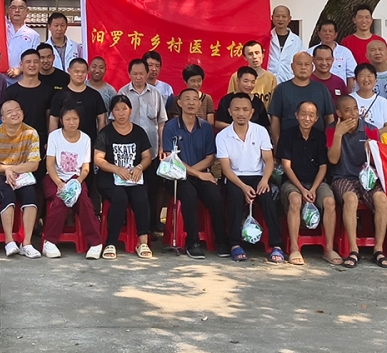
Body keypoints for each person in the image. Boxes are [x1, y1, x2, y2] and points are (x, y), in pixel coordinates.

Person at [161, 88, 229, 259]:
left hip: (199, 173)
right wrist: (198, 174)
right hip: (176, 176)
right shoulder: (170, 127)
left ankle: (222, 241)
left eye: (195, 99)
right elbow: (171, 158)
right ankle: (193, 242)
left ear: (200, 104)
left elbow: (210, 157)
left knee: (215, 195)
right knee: (189, 195)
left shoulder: (205, 127)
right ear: (179, 103)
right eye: (187, 99)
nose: (191, 103)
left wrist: (195, 173)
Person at [217, 92, 285, 263]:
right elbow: (226, 169)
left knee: (268, 197)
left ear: (252, 112)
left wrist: (264, 180)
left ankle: (276, 245)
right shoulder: (222, 136)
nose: (241, 113)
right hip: (235, 177)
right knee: (235, 196)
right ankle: (235, 244)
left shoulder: (260, 131)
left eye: (245, 109)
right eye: (236, 109)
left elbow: (268, 160)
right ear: (229, 112)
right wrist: (243, 186)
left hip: (258, 176)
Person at [327, 96, 387, 268]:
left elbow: (378, 163)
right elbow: (332, 160)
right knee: (351, 199)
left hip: (367, 178)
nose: (353, 113)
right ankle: (353, 250)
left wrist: (372, 151)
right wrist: (338, 134)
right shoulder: (332, 129)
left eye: (355, 109)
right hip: (342, 177)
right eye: (347, 110)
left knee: (381, 199)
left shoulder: (370, 129)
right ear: (339, 113)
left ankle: (378, 249)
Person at [277, 100, 340, 266]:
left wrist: (313, 188)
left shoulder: (320, 136)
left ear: (316, 118)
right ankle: (294, 248)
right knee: (295, 199)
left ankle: (329, 249)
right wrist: (302, 189)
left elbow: (323, 166)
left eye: (311, 115)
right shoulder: (287, 135)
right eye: (303, 114)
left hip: (315, 182)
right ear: (296, 115)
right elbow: (286, 166)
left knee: (329, 202)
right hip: (293, 181)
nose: (307, 118)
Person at [94, 95, 154, 259]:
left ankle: (142, 242)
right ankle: (111, 243)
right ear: (112, 113)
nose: (121, 113)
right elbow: (98, 159)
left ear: (130, 111)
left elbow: (147, 157)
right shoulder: (105, 133)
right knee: (119, 198)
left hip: (133, 177)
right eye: (117, 109)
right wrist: (116, 169)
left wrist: (139, 167)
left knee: (141, 197)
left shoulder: (139, 132)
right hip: (110, 177)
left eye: (124, 109)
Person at [0, 99, 42, 258]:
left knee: (30, 195)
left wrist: (12, 169)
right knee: (7, 194)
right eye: (9, 112)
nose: (15, 113)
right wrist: (5, 170)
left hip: (21, 174)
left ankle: (26, 243)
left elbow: (34, 164)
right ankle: (9, 241)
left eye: (17, 109)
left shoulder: (31, 133)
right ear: (2, 118)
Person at [42, 105, 103, 260]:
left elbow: (85, 167)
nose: (72, 122)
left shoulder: (85, 139)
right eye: (68, 119)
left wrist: (77, 182)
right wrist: (59, 183)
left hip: (76, 179)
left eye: (75, 119)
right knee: (61, 198)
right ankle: (49, 242)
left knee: (84, 201)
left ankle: (95, 243)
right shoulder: (54, 136)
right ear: (61, 121)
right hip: (54, 178)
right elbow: (49, 164)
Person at [118, 58, 167, 232]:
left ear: (147, 74)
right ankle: (128, 224)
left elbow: (161, 123)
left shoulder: (155, 94)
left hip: (151, 151)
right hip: (128, 152)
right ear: (129, 74)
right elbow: (116, 122)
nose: (138, 77)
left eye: (141, 74)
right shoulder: (122, 93)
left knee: (151, 189)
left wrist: (162, 147)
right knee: (129, 189)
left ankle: (151, 225)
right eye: (135, 74)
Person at [268, 53, 334, 146]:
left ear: (312, 67)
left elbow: (329, 118)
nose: (303, 68)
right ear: (292, 66)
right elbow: (275, 119)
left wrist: (329, 144)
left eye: (307, 64)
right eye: (299, 64)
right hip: (288, 145)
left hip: (317, 145)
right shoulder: (281, 89)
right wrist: (277, 145)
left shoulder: (321, 89)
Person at [3, 48, 57, 159]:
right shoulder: (11, 92)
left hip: (40, 142)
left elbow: (50, 119)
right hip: (16, 143)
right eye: (28, 62)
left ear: (40, 64)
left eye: (35, 62)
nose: (32, 65)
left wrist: (50, 142)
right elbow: (5, 120)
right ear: (21, 65)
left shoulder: (48, 91)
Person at [49, 58, 107, 142]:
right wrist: (52, 141)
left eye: (83, 72)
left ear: (87, 72)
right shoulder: (59, 95)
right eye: (76, 71)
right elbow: (54, 120)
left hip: (89, 143)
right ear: (69, 71)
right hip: (64, 143)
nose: (80, 74)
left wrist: (101, 143)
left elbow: (101, 119)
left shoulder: (95, 95)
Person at [226, 41, 278, 108]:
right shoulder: (236, 77)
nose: (254, 57)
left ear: (262, 55)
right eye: (250, 54)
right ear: (245, 57)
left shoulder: (271, 78)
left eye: (257, 53)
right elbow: (230, 101)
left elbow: (274, 105)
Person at [218, 67, 271, 131]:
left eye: (252, 82)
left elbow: (265, 125)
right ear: (238, 81)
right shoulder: (226, 100)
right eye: (246, 81)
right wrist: (238, 128)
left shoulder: (258, 102)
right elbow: (218, 123)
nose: (249, 85)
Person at [309, 19, 356, 85]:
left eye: (330, 31)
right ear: (319, 34)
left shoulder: (345, 52)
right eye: (324, 31)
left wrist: (347, 91)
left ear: (335, 34)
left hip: (339, 89)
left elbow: (351, 76)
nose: (327, 33)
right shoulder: (310, 52)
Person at [5, 0, 41, 79]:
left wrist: (20, 69)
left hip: (23, 78)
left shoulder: (33, 35)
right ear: (8, 10)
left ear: (27, 11)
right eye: (13, 7)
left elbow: (35, 59)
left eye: (21, 8)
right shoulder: (1, 29)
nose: (17, 10)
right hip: (1, 77)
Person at [350, 63, 387, 132]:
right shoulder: (349, 99)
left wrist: (373, 134)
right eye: (362, 76)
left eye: (369, 76)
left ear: (376, 79)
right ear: (356, 79)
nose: (366, 79)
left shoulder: (382, 102)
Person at [267, 5, 304, 84]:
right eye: (277, 16)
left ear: (289, 19)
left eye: (284, 16)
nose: (280, 19)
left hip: (289, 81)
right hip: (268, 82)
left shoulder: (296, 40)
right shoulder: (266, 37)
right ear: (272, 18)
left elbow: (301, 60)